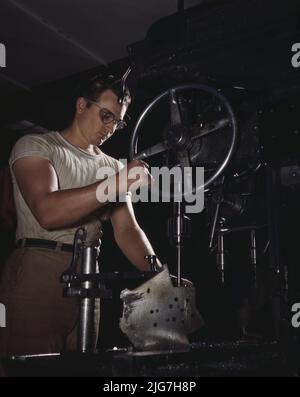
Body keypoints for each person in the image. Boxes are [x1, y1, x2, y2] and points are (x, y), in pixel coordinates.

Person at [0, 70, 163, 357]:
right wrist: (115, 184)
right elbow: (47, 212)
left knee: (82, 369)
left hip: (89, 276)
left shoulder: (112, 167)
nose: (110, 128)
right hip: (39, 270)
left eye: (118, 121)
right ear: (81, 105)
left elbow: (127, 231)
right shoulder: (37, 145)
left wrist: (158, 274)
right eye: (105, 116)